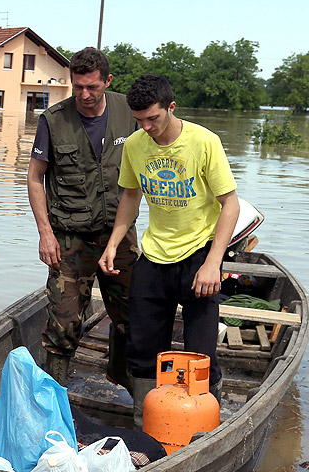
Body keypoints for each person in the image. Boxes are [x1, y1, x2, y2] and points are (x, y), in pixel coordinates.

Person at [98, 74, 239, 427]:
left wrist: (213, 263)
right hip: (154, 257)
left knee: (201, 354)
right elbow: (131, 195)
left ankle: (206, 426)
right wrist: (114, 242)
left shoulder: (204, 142)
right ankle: (147, 425)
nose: (146, 127)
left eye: (153, 119)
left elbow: (231, 205)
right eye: (138, 120)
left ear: (171, 107)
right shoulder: (134, 145)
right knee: (143, 349)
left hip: (198, 258)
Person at [27, 47, 139, 391]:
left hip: (118, 236)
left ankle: (122, 376)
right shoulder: (54, 120)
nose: (85, 95)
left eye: (92, 87)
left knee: (132, 315)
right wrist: (45, 234)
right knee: (63, 323)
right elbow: (35, 178)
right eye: (78, 87)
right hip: (69, 238)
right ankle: (54, 397)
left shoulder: (128, 112)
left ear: (107, 81)